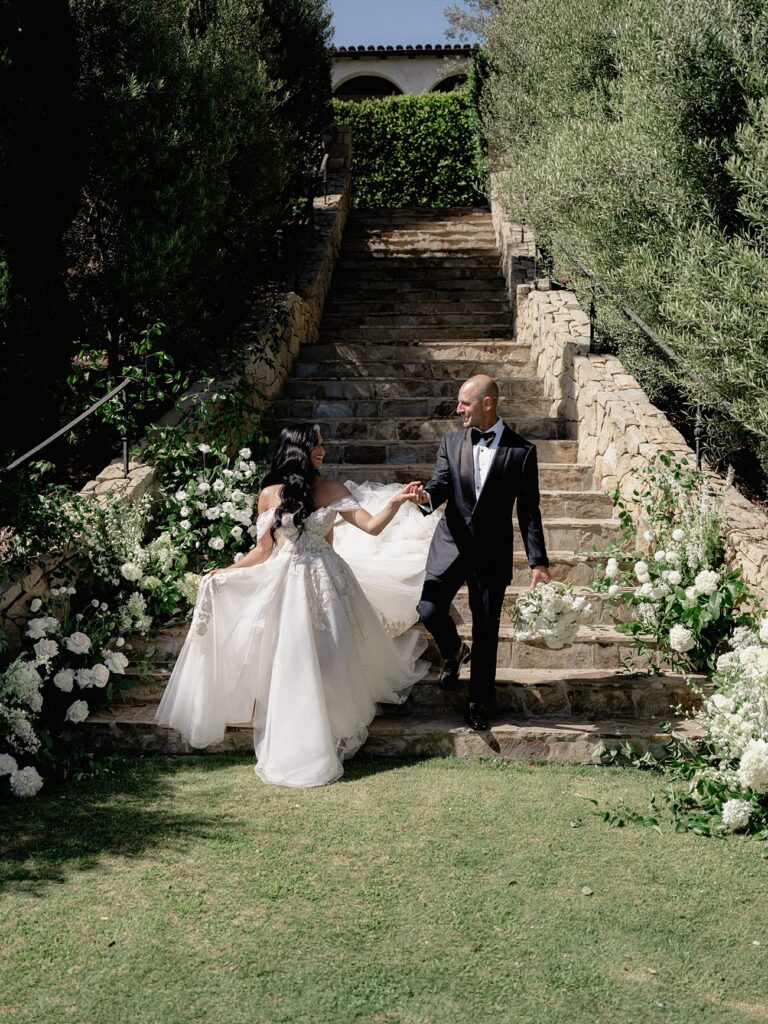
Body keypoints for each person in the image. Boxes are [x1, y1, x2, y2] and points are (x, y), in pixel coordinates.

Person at [155, 425, 433, 788]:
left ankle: (329, 734)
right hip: (287, 585)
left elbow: (372, 528)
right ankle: (298, 740)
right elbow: (263, 550)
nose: (323, 449)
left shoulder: (333, 489)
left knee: (332, 661)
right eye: (317, 445)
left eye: (322, 444)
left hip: (328, 582)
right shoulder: (269, 495)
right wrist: (226, 571)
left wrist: (396, 502)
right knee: (292, 662)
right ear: (298, 449)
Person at [414, 374, 552, 731]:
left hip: (491, 552)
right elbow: (441, 484)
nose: (459, 409)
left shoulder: (522, 452)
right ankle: (454, 651)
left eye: (465, 403)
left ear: (487, 403)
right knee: (428, 608)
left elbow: (529, 511)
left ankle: (478, 702)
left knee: (486, 628)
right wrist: (425, 497)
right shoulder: (451, 441)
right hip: (451, 545)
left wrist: (538, 562)